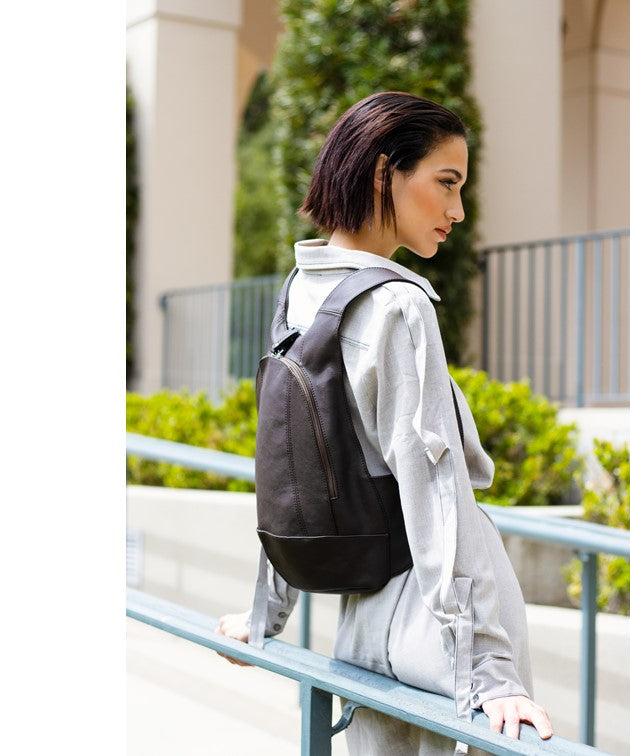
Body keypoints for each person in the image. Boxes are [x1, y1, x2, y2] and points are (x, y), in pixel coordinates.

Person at [216, 91, 553, 754]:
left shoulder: (302, 291)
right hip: (445, 623)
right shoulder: (399, 305)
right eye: (446, 183)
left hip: (365, 613)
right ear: (382, 173)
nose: (458, 210)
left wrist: (266, 613)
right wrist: (491, 668)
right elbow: (436, 489)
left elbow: (292, 468)